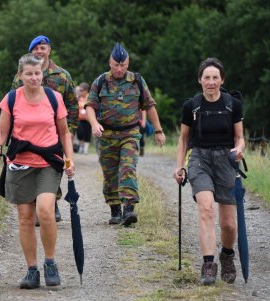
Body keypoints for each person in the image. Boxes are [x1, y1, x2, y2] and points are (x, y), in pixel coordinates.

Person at [0, 53, 75, 289]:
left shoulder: (54, 98)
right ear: (20, 75)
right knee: (25, 218)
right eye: (29, 74)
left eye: (37, 73)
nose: (34, 78)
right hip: (20, 164)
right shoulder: (11, 99)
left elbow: (65, 132)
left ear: (42, 74)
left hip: (48, 162)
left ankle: (50, 263)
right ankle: (32, 270)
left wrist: (69, 159)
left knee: (45, 210)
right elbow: (1, 133)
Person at [173, 57, 245, 286]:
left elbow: (240, 138)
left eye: (215, 77)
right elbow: (183, 139)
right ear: (200, 80)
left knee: (229, 224)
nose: (211, 82)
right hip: (200, 159)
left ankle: (227, 255)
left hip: (226, 160)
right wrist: (180, 165)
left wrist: (239, 150)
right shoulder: (191, 106)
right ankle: (207, 265)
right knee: (206, 210)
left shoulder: (232, 104)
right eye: (207, 77)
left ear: (222, 80)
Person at [85, 42, 166, 226]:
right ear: (110, 63)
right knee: (110, 173)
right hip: (107, 135)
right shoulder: (101, 81)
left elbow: (149, 106)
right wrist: (94, 123)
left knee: (127, 168)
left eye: (122, 65)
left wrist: (159, 131)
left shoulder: (137, 80)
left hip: (130, 133)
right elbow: (90, 106)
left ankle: (129, 209)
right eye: (116, 65)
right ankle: (115, 209)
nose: (119, 69)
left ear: (128, 64)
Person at [11, 35, 78, 222]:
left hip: (57, 131)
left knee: (52, 165)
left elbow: (72, 105)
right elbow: (13, 103)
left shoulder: (63, 76)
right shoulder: (20, 76)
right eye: (36, 48)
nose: (40, 51)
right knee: (33, 166)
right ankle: (39, 204)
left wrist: (70, 131)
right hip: (30, 134)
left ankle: (51, 204)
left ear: (49, 50)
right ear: (31, 52)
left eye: (43, 47)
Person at [75, 82, 92, 154]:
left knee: (87, 133)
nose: (80, 92)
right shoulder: (78, 97)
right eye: (79, 90)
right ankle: (81, 147)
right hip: (80, 119)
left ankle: (85, 149)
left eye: (82, 90)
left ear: (86, 90)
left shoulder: (90, 97)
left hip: (88, 119)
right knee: (80, 133)